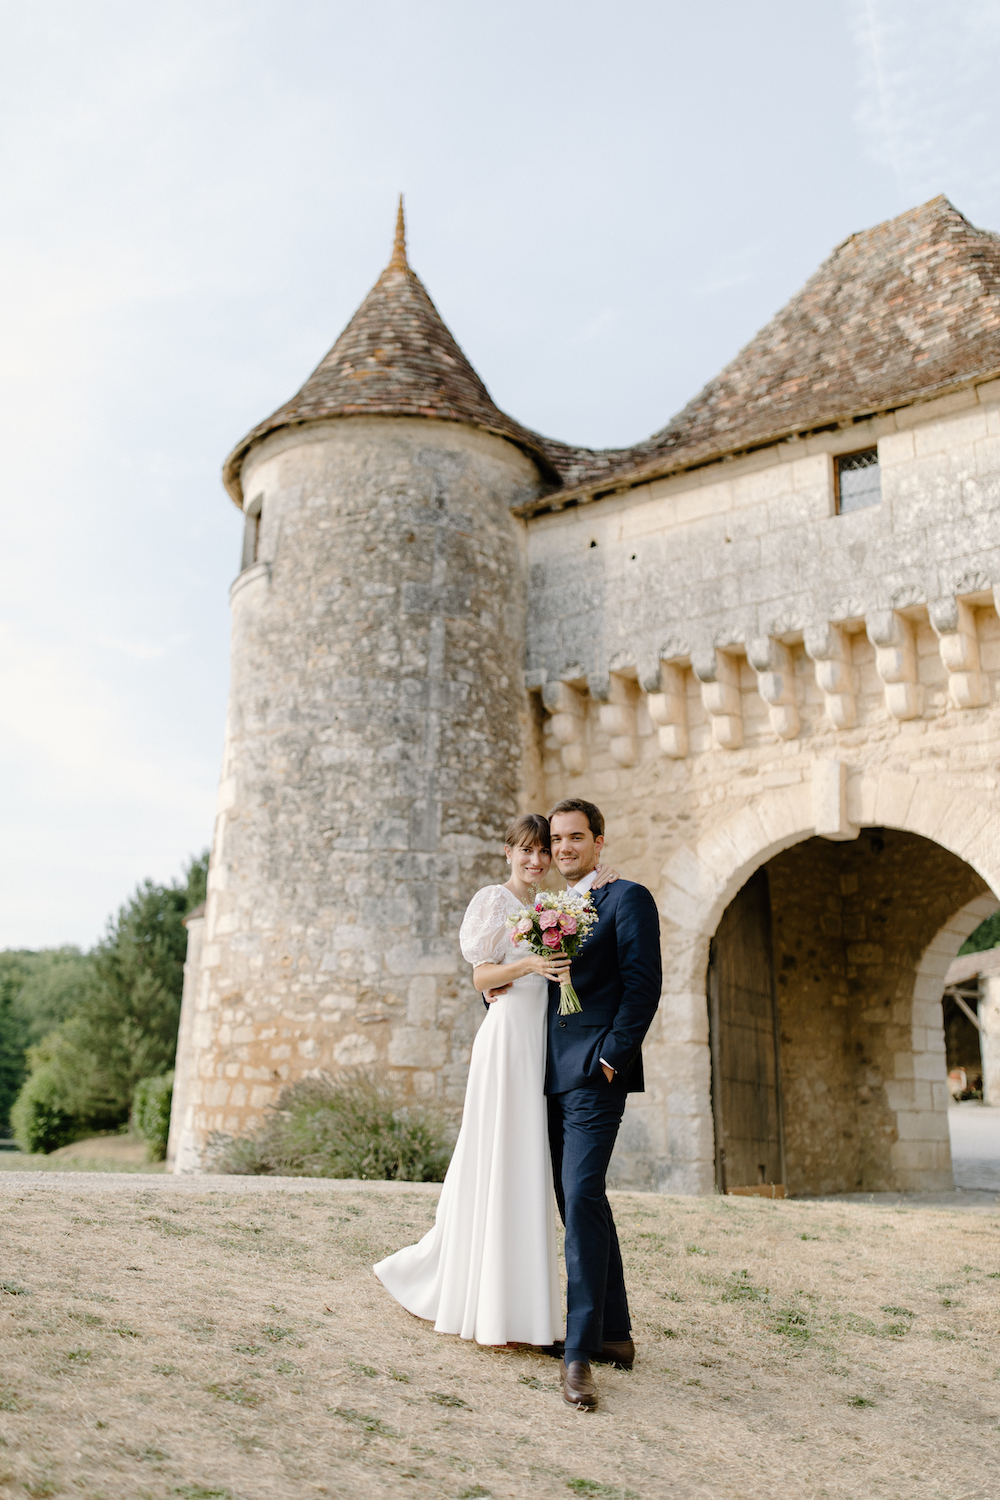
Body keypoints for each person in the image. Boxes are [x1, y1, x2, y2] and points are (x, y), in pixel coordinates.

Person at [373, 813, 619, 1347]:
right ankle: (479, 1297)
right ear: (508, 852)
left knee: (525, 1160)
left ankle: (518, 1308)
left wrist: (597, 884)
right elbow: (481, 975)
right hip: (507, 1039)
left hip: (540, 1044)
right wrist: (530, 965)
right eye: (526, 850)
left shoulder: (551, 906)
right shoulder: (493, 900)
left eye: (543, 851)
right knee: (497, 1151)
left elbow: (585, 919)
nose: (537, 860)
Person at [523, 798, 662, 1411]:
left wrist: (612, 1057)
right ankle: (614, 1335)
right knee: (578, 1198)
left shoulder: (628, 898)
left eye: (576, 838)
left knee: (580, 1195)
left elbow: (643, 986)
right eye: (557, 840)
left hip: (594, 1073)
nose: (564, 849)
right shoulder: (547, 909)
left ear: (599, 841)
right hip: (544, 1071)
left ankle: (578, 1354)